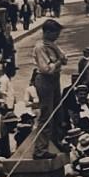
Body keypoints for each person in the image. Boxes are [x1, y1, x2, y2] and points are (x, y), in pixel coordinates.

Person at [31, 18, 67, 148]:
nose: (57, 36)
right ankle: (41, 148)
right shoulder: (40, 47)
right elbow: (46, 69)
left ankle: (55, 142)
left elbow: (65, 59)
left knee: (57, 112)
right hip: (45, 80)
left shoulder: (52, 45)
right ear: (47, 32)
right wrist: (58, 62)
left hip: (54, 79)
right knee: (46, 114)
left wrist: (58, 57)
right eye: (55, 33)